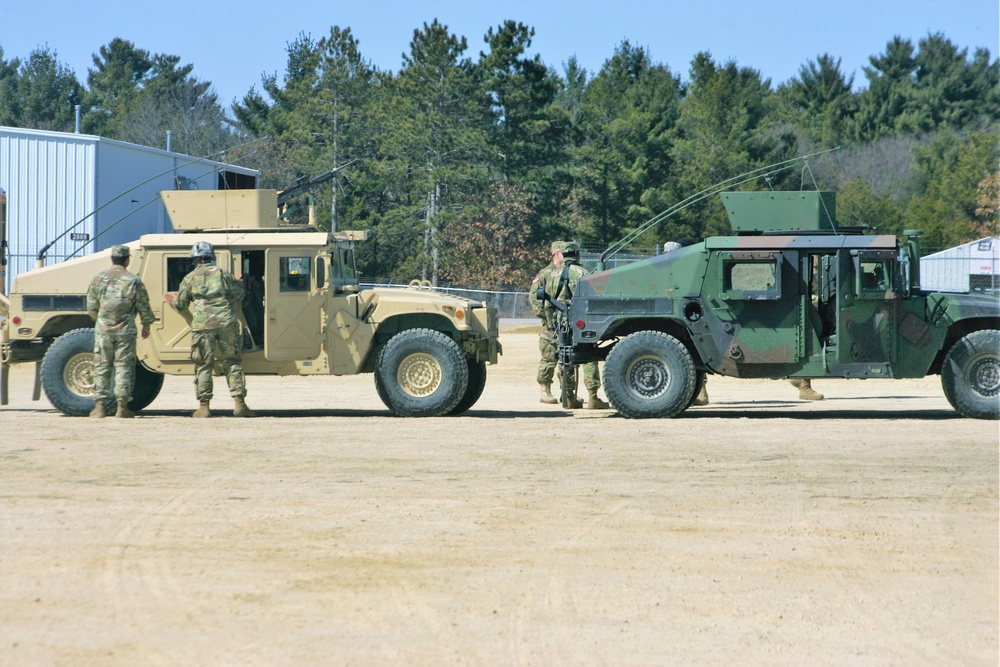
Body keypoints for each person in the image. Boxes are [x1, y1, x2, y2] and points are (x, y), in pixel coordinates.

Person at [164, 241, 255, 418]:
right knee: (232, 362)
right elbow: (239, 295)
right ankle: (239, 405)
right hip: (226, 322)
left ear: (195, 259)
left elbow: (182, 304)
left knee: (204, 365)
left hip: (202, 326)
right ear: (211, 257)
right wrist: (238, 283)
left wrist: (171, 300)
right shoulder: (222, 274)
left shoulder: (190, 278)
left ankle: (204, 407)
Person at [86, 244, 156, 418]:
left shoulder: (98, 279)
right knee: (123, 366)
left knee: (102, 365)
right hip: (125, 330)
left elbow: (91, 306)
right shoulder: (133, 281)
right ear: (127, 260)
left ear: (112, 259)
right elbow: (143, 306)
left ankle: (100, 407)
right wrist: (146, 325)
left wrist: (101, 321)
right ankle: (122, 407)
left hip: (103, 330)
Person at [542, 241, 610, 410]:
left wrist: (551, 324)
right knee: (587, 355)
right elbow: (594, 299)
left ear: (563, 256)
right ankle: (593, 397)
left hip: (560, 321)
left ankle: (568, 396)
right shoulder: (584, 273)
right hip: (581, 321)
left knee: (565, 356)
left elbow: (547, 304)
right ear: (577, 255)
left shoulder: (552, 275)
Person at [530, 242, 561, 404]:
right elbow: (534, 298)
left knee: (566, 359)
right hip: (551, 326)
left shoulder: (569, 272)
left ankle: (568, 392)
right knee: (549, 357)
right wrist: (547, 318)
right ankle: (545, 391)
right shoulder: (546, 274)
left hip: (566, 324)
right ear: (557, 254)